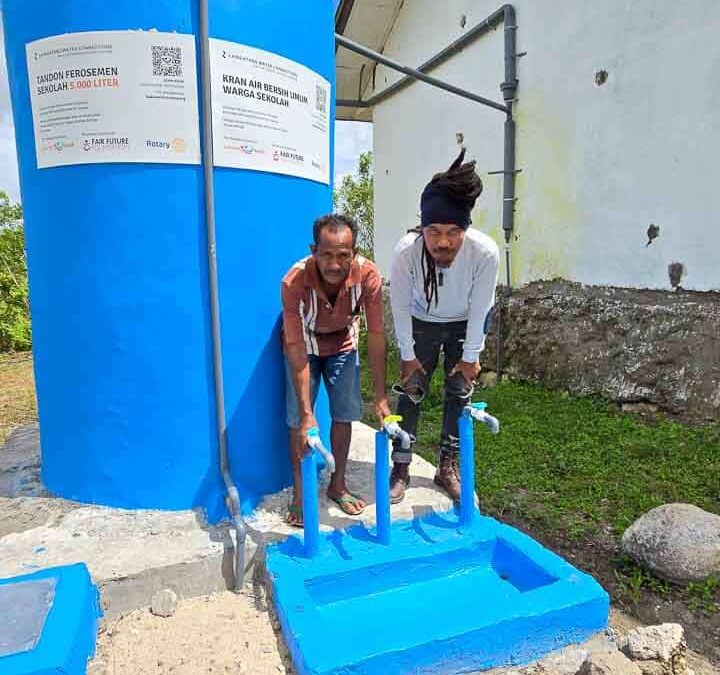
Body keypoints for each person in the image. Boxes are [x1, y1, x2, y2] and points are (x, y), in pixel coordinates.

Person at [388, 149, 499, 503]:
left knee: (460, 394)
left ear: (466, 227)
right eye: (433, 231)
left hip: (464, 322)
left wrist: (471, 357)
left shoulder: (484, 253)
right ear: (422, 227)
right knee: (411, 390)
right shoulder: (406, 252)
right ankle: (401, 464)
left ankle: (447, 466)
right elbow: (399, 307)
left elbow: (483, 307)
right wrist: (407, 355)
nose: (443, 242)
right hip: (422, 321)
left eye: (453, 231)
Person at [281, 213, 391, 526]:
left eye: (343, 255)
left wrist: (381, 397)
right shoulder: (294, 281)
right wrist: (306, 412)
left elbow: (377, 334)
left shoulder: (367, 274)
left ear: (354, 253)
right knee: (297, 421)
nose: (334, 264)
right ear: (313, 250)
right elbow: (295, 346)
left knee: (345, 413)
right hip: (303, 343)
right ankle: (301, 495)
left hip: (343, 341)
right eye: (326, 255)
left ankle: (337, 484)